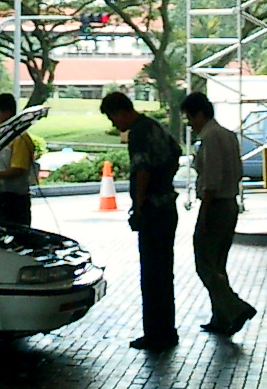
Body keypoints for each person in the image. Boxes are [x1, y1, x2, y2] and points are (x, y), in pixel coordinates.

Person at [100, 91, 180, 351]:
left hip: (152, 212)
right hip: (167, 206)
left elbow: (141, 169)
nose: (114, 124)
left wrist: (139, 205)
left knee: (151, 274)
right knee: (164, 272)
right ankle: (167, 330)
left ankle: (155, 334)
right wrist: (164, 181)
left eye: (113, 118)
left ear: (121, 112)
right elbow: (176, 152)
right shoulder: (155, 126)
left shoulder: (138, 133)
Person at [182, 92, 256, 337]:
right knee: (218, 264)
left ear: (200, 114)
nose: (190, 124)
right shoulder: (228, 135)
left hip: (215, 206)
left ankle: (235, 308)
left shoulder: (210, 137)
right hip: (230, 204)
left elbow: (211, 180)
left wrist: (204, 214)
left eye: (190, 118)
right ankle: (220, 317)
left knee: (205, 264)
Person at [0, 93, 35, 228]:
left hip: (15, 201)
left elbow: (18, 169)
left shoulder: (20, 139)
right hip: (3, 197)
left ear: (7, 113)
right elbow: (5, 162)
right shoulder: (7, 137)